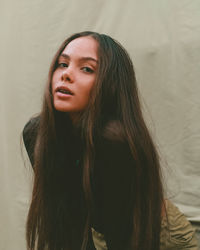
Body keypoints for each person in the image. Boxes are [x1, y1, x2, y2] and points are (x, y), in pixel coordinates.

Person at [23, 31, 198, 250]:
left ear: (109, 84)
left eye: (86, 68)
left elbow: (123, 235)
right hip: (104, 230)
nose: (66, 74)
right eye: (62, 64)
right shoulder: (37, 134)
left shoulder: (114, 143)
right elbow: (68, 213)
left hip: (159, 236)